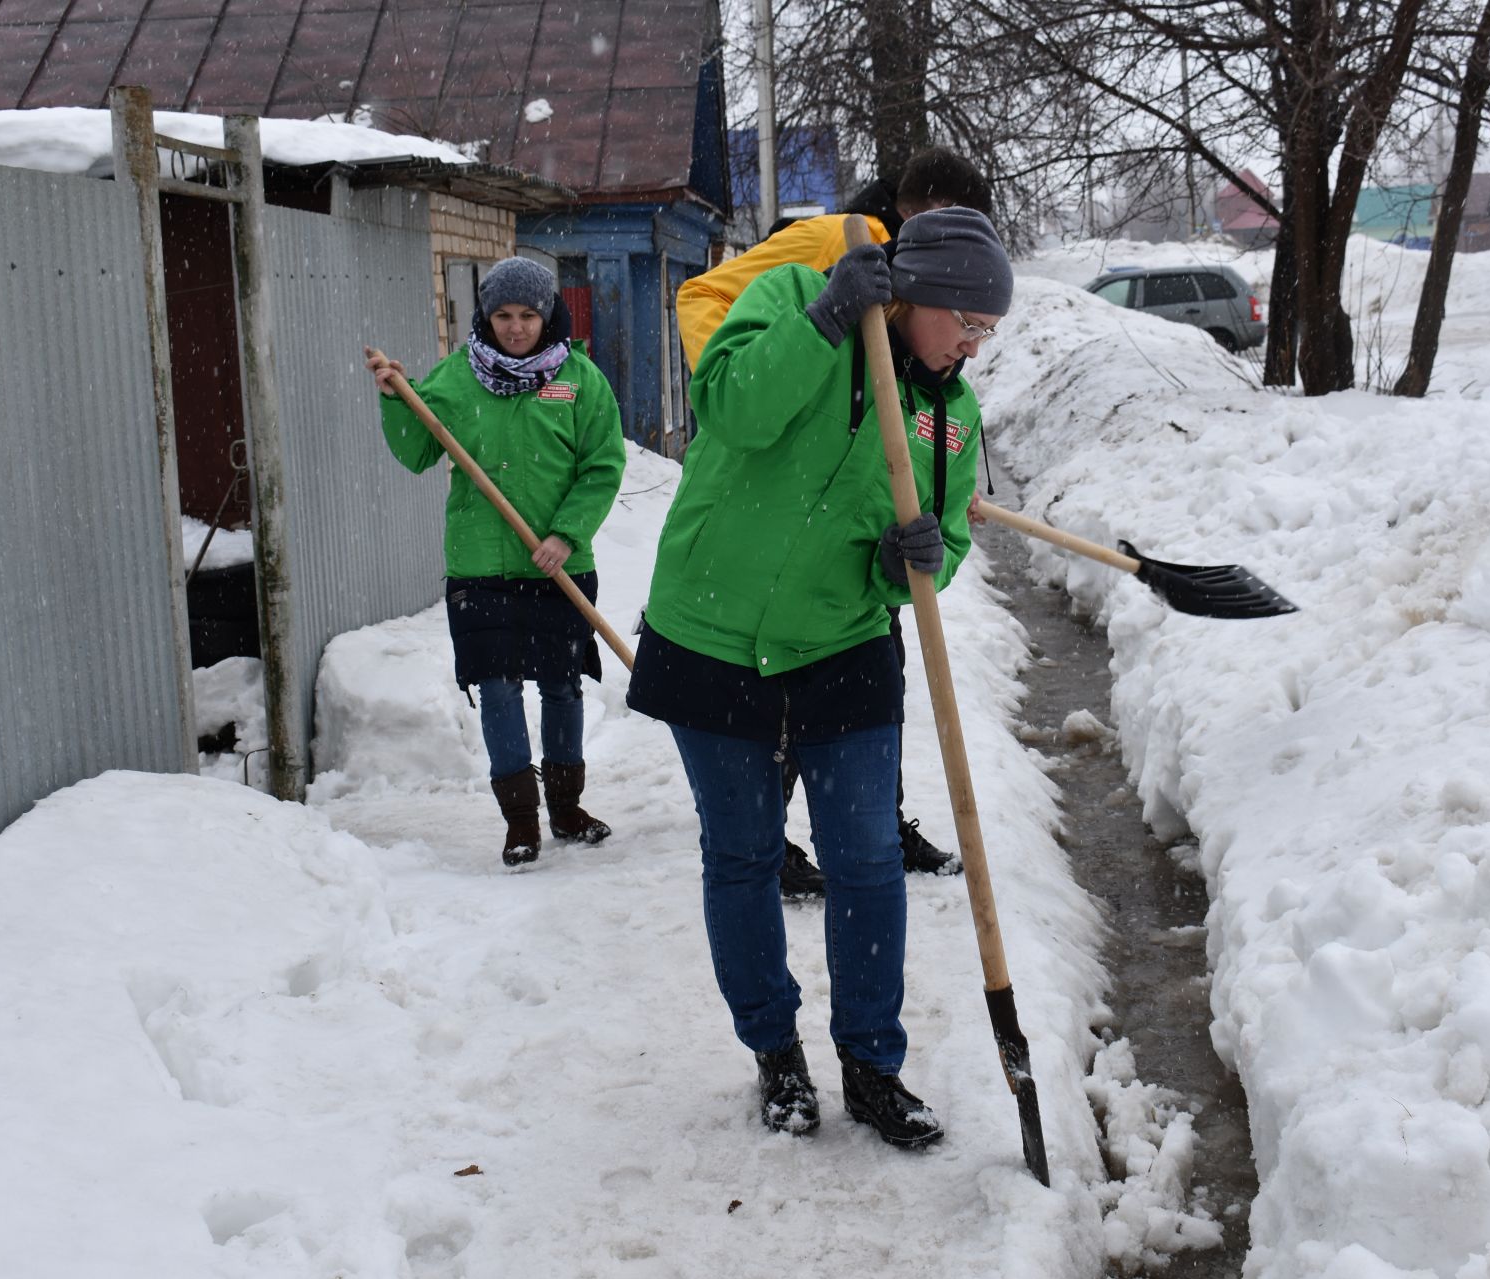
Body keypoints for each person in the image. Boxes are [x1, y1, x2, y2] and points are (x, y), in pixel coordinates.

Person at [627, 208, 1013, 1148]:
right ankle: (774, 1052)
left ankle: (873, 1066)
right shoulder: (793, 295)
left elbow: (948, 536)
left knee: (867, 862)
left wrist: (912, 558)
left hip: (844, 646)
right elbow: (735, 411)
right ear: (916, 294)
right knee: (745, 858)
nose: (971, 345)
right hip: (712, 634)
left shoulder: (950, 417)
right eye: (964, 321)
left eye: (986, 333)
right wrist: (828, 322)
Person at [674, 145, 995, 900]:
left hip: (860, 512)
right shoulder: (839, 243)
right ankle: (773, 839)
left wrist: (930, 474)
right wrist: (759, 422)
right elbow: (704, 298)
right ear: (911, 208)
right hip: (777, 491)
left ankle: (876, 822)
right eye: (943, 224)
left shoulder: (931, 284)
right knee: (792, 678)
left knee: (875, 669)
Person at [368, 257, 627, 868]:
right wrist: (397, 401)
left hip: (556, 563)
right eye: (503, 315)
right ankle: (520, 822)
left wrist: (566, 533)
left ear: (548, 315)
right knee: (500, 690)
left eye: (528, 316)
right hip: (480, 567)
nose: (515, 328)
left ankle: (565, 807)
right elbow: (416, 453)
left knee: (562, 688)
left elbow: (602, 465)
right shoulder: (457, 378)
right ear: (486, 315)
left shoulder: (579, 380)